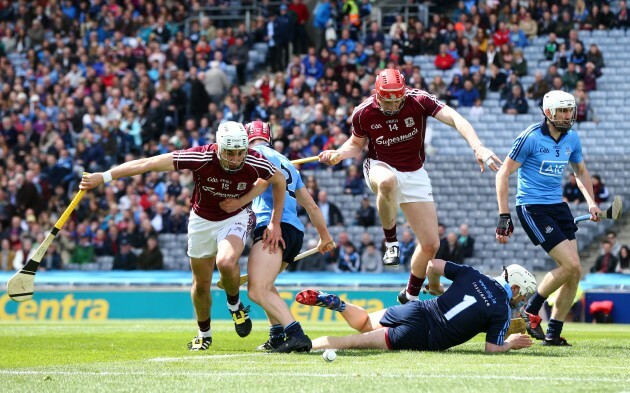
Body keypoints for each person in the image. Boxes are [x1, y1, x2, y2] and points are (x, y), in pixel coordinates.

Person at [80, 121, 287, 351]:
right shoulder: (200, 157)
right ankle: (204, 334)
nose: (237, 159)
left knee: (226, 261)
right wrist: (105, 177)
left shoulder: (254, 160)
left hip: (235, 218)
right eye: (231, 153)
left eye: (241, 152)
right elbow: (148, 163)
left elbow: (278, 180)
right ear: (219, 148)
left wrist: (274, 222)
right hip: (201, 221)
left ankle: (234, 305)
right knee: (201, 285)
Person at [318, 67, 502, 306]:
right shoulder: (363, 113)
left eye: (398, 99)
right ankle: (391, 242)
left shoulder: (419, 100)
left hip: (415, 172)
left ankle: (410, 296)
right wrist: (339, 154)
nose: (394, 105)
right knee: (387, 182)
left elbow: (456, 118)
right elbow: (356, 144)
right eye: (388, 100)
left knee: (430, 245)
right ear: (378, 94)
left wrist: (478, 147)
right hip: (380, 165)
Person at [496, 90, 602, 346]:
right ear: (548, 113)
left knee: (574, 273)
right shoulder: (530, 137)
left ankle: (553, 332)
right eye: (562, 111)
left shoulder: (572, 138)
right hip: (533, 207)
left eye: (570, 110)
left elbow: (581, 171)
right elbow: (503, 173)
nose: (568, 115)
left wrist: (591, 203)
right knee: (572, 265)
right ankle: (532, 309)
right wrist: (504, 215)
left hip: (558, 207)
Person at [221, 120, 335, 353]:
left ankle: (296, 334)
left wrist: (243, 204)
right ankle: (276, 335)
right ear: (269, 137)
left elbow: (264, 182)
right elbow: (312, 207)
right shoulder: (287, 163)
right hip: (295, 233)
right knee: (266, 285)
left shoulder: (252, 155)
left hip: (274, 228)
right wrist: (324, 237)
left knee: (256, 290)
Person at [297, 260, 536, 352]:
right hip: (424, 335)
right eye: (522, 295)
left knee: (364, 323)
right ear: (514, 288)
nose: (521, 300)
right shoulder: (501, 310)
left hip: (418, 308)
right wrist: (510, 344)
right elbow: (492, 349)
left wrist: (436, 287)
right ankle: (303, 347)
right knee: (348, 343)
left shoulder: (473, 274)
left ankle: (339, 305)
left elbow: (432, 264)